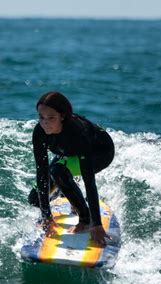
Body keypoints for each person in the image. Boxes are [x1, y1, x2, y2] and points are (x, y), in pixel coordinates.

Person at [29, 91, 114, 246]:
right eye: (41, 117)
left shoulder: (77, 132)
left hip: (100, 153)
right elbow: (41, 172)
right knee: (35, 199)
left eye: (51, 117)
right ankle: (67, 191)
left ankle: (84, 216)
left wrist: (96, 224)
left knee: (57, 171)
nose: (45, 123)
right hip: (68, 153)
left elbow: (89, 181)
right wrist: (46, 215)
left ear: (62, 116)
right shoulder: (39, 132)